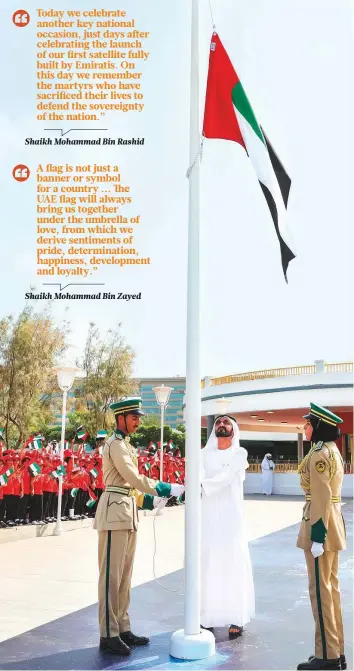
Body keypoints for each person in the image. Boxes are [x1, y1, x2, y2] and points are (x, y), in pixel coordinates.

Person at [93, 397, 184, 656]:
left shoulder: (126, 445)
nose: (138, 421)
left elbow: (130, 486)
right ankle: (108, 634)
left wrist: (151, 500)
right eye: (134, 416)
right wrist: (166, 487)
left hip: (126, 509)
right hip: (114, 511)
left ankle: (122, 626)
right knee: (110, 576)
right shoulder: (116, 445)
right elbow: (132, 478)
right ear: (121, 417)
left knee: (124, 576)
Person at [297, 403, 346, 671]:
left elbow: (321, 496)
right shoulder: (332, 451)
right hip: (332, 522)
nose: (305, 427)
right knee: (331, 590)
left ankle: (326, 656)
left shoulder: (319, 454)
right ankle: (336, 651)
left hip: (321, 525)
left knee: (320, 592)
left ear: (318, 427)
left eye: (308, 423)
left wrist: (317, 535)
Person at [200, 415, 255, 638]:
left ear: (234, 430)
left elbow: (226, 477)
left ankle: (236, 617)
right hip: (208, 517)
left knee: (233, 564)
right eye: (218, 423)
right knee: (209, 564)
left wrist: (201, 486)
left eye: (226, 422)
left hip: (232, 518)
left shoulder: (239, 454)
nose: (221, 424)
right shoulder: (203, 454)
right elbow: (197, 475)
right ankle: (207, 617)